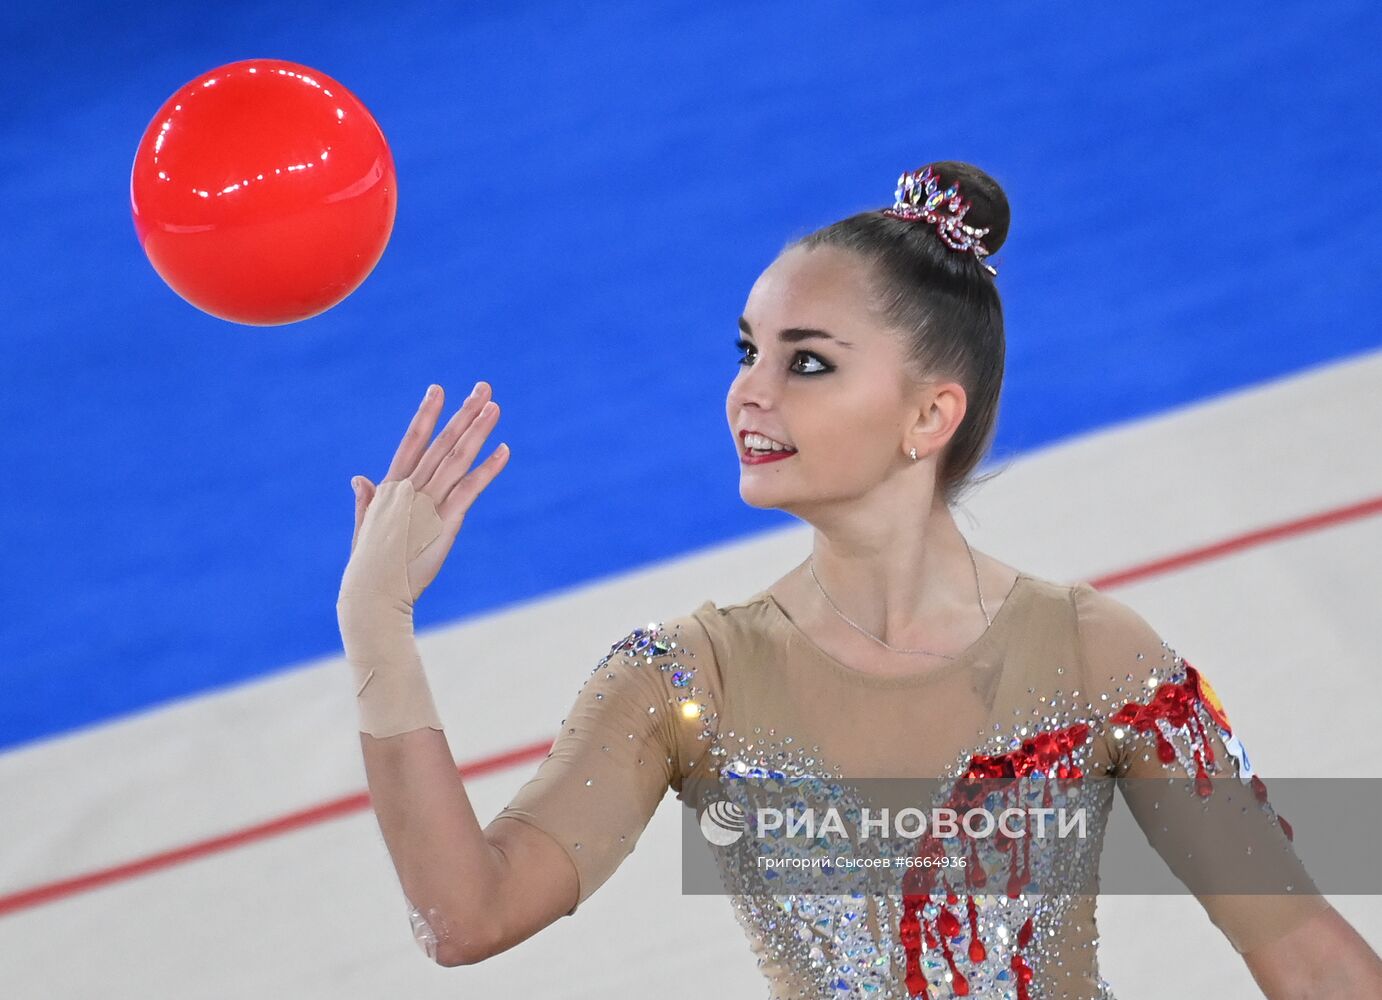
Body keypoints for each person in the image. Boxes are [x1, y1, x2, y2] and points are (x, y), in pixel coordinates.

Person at [335, 161, 1382, 998]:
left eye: (806, 361)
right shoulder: (677, 679)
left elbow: (1308, 957)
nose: (747, 392)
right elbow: (464, 917)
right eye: (746, 351)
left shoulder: (1096, 656)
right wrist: (376, 623)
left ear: (929, 414)